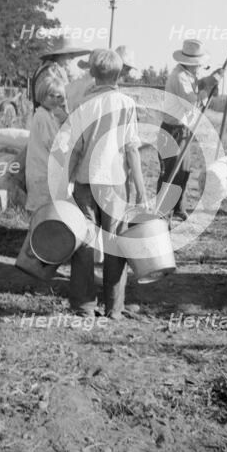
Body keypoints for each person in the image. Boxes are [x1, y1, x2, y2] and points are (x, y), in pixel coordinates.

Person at [60, 49, 147, 319]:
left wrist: (66, 184)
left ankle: (84, 306)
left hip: (86, 181)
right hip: (114, 184)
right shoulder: (125, 103)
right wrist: (142, 191)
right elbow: (132, 150)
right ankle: (114, 307)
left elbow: (74, 149)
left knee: (84, 244)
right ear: (119, 74)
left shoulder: (83, 105)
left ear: (93, 74)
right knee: (116, 244)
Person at [157, 39, 221, 221]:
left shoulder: (187, 74)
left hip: (183, 130)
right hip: (173, 131)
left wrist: (208, 81)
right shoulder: (179, 77)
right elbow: (191, 103)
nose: (200, 67)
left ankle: (178, 208)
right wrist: (208, 89)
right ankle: (162, 213)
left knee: (184, 171)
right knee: (170, 173)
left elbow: (195, 85)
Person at [25, 74, 66, 214]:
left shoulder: (49, 115)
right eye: (51, 95)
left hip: (43, 169)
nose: (55, 100)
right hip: (43, 171)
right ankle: (35, 234)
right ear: (42, 95)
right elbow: (53, 144)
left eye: (59, 96)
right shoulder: (43, 117)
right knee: (43, 210)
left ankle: (35, 233)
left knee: (44, 209)